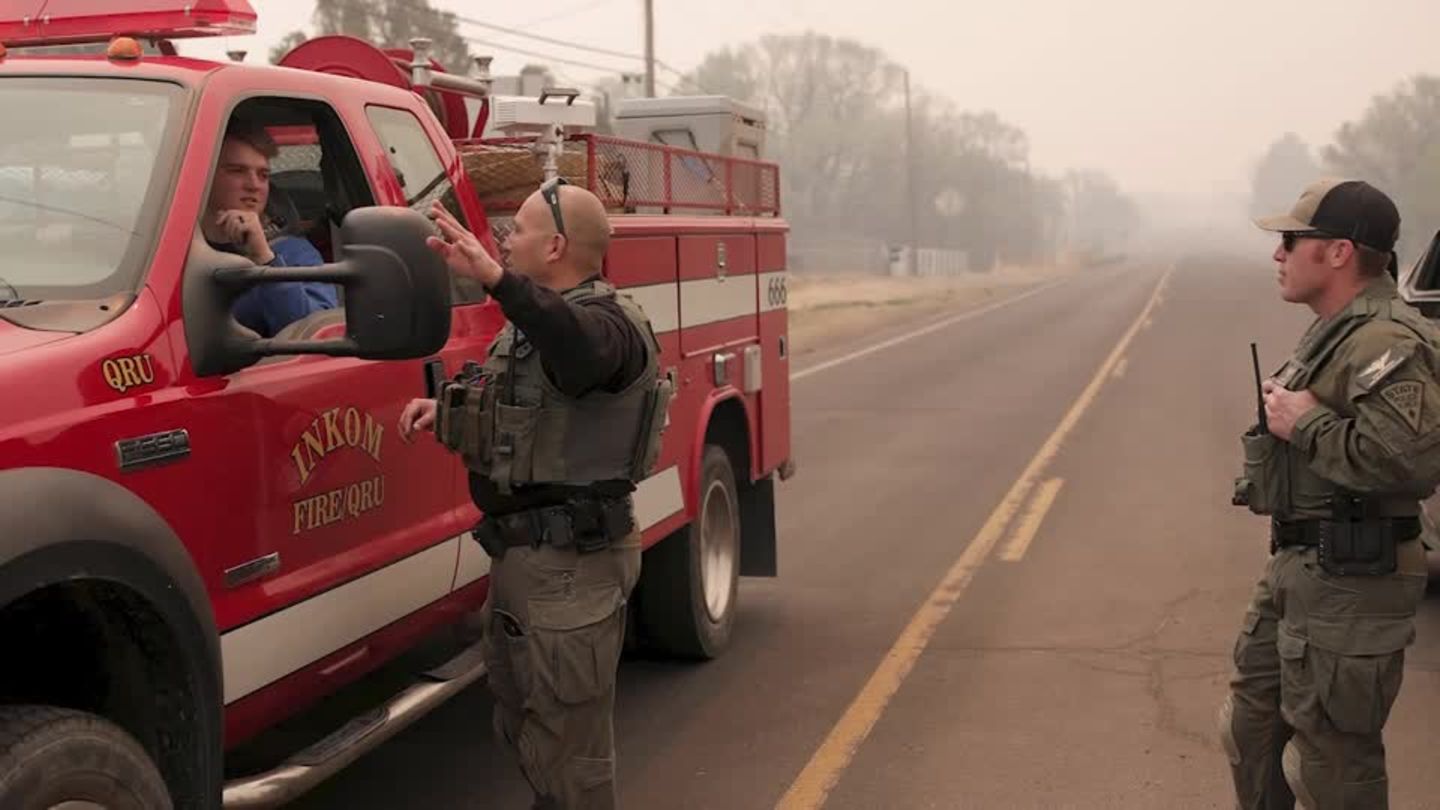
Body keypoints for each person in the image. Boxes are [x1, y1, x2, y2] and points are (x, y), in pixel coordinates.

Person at [398, 180, 670, 810]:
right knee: (532, 731)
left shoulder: (606, 327)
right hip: (528, 566)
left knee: (572, 758)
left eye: (516, 230)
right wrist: (444, 414)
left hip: (570, 570)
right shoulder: (536, 327)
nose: (504, 239)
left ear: (554, 246)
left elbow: (575, 346)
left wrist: (494, 279)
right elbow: (527, 424)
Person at [1221, 178, 1440, 809]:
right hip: (1303, 563)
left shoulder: (1386, 340)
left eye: (1291, 239)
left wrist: (1304, 422)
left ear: (1339, 251)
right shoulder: (1336, 330)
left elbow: (1409, 463)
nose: (1278, 254)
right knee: (1251, 729)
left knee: (1331, 764)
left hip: (1353, 576)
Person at [203, 119, 337, 337]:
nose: (254, 185)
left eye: (263, 175)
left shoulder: (294, 253)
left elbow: (315, 337)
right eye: (237, 171)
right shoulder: (173, 247)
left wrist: (265, 259)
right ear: (204, 176)